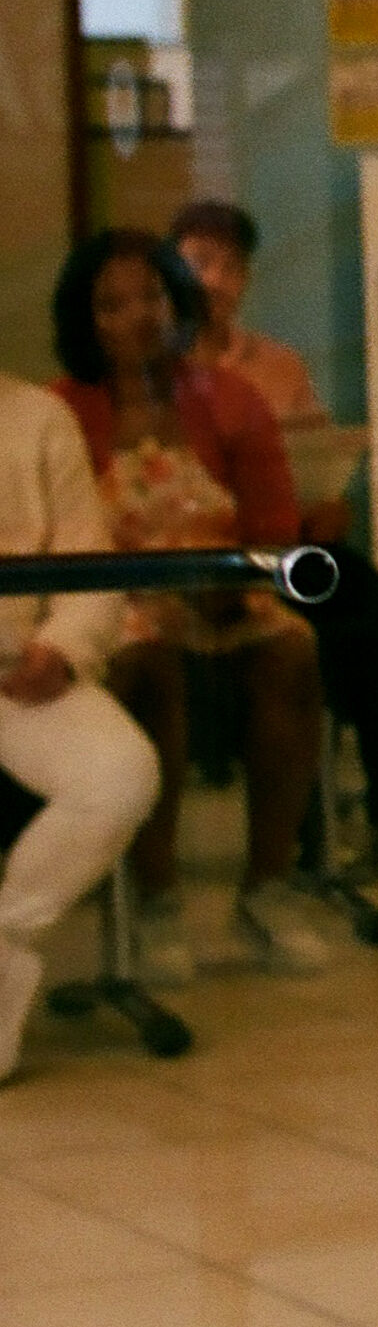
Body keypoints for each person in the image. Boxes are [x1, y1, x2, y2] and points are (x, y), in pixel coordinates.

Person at [52, 229, 340, 979]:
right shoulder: (63, 413)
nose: (138, 317)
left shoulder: (229, 398)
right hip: (116, 602)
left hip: (219, 588)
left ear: (176, 303)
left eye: (151, 296)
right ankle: (157, 897)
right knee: (146, 656)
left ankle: (268, 887)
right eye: (113, 305)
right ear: (87, 321)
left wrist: (240, 581)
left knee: (293, 648)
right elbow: (55, 536)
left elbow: (275, 521)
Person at [172, 200, 378, 874]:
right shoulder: (155, 371)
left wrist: (330, 506)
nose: (216, 281)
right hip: (196, 559)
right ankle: (298, 809)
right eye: (201, 263)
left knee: (363, 595)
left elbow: (318, 466)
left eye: (232, 268)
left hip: (282, 546)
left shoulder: (279, 366)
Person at [0, 372, 165, 1079]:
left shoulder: (38, 417)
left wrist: (62, 652)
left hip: (13, 673)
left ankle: (5, 942)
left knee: (120, 772)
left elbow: (90, 568)